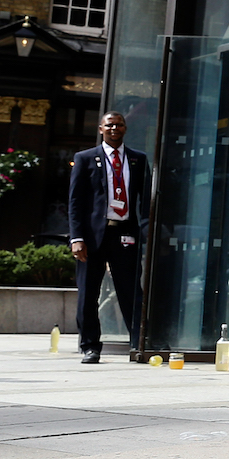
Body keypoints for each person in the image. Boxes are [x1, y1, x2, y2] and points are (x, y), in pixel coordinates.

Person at [67, 110, 149, 365]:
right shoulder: (85, 158)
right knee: (88, 293)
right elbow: (75, 202)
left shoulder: (137, 159)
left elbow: (144, 202)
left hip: (124, 233)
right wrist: (76, 237)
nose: (114, 129)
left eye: (119, 125)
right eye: (109, 125)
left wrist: (145, 234)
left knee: (131, 292)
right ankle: (90, 346)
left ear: (125, 129)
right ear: (101, 129)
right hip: (92, 237)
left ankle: (138, 343)